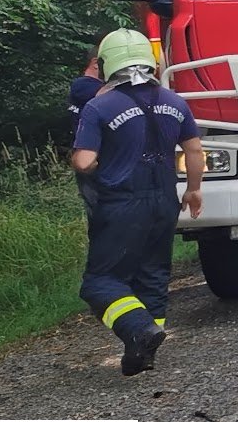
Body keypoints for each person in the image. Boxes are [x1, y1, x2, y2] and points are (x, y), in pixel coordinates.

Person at [69, 29, 206, 376]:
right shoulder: (175, 101)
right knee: (152, 276)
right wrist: (193, 190)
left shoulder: (99, 106)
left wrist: (91, 161)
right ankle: (143, 354)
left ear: (106, 64)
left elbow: (85, 161)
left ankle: (138, 330)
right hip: (165, 201)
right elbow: (194, 150)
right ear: (150, 60)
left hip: (121, 204)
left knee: (100, 282)